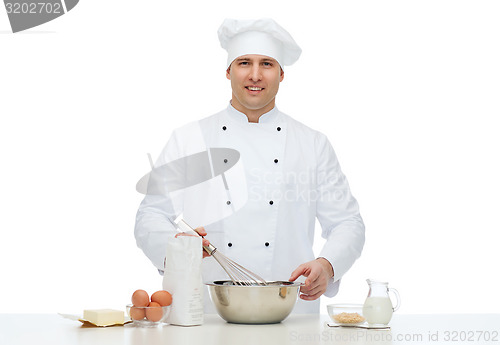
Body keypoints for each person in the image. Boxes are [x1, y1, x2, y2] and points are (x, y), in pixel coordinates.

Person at [135, 18, 365, 313]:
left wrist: (327, 265)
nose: (255, 75)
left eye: (266, 64)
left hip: (290, 314)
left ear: (281, 74)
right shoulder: (190, 139)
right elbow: (151, 215)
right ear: (229, 71)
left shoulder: (312, 144)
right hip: (206, 313)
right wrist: (176, 248)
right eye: (244, 63)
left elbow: (348, 222)